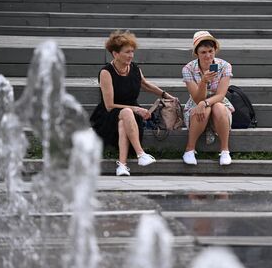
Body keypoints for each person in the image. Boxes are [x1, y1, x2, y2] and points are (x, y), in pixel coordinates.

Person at [90, 30, 175, 176]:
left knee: (125, 120)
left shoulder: (134, 68)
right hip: (108, 115)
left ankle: (122, 166)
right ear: (115, 54)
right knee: (127, 113)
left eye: (132, 51)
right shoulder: (106, 72)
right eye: (127, 52)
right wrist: (135, 109)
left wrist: (165, 94)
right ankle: (141, 153)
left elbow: (146, 85)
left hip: (130, 116)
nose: (131, 55)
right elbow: (109, 105)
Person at [181, 31, 234, 166]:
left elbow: (221, 95)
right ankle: (189, 149)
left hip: (217, 101)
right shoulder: (188, 69)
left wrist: (205, 103)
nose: (208, 56)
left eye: (211, 51)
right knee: (202, 109)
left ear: (215, 50)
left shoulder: (225, 66)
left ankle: (225, 150)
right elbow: (197, 98)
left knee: (219, 108)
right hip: (197, 101)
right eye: (203, 52)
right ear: (197, 53)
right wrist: (203, 82)